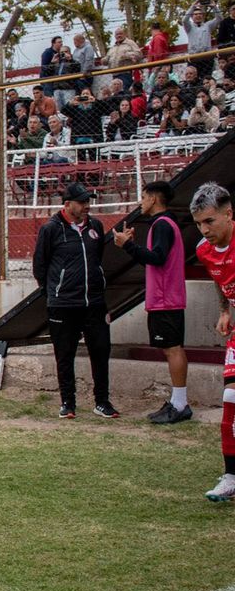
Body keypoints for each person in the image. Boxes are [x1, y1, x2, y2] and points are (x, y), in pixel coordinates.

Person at [32, 182, 117, 420]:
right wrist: (55, 290)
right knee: (65, 354)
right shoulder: (51, 229)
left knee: (100, 351)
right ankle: (68, 402)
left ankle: (102, 401)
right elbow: (40, 265)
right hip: (63, 304)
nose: (87, 206)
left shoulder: (96, 227)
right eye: (82, 202)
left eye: (88, 201)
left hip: (95, 303)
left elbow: (97, 257)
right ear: (68, 204)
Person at [113, 181, 190, 424]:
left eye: (144, 196)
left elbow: (156, 259)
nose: (141, 202)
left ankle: (180, 405)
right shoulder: (166, 224)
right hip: (167, 297)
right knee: (172, 348)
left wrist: (127, 245)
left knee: (173, 348)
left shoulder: (161, 224)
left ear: (154, 199)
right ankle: (178, 402)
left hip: (166, 299)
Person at [189, 182, 235, 501]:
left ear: (229, 214)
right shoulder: (205, 251)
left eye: (210, 221)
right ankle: (231, 476)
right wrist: (223, 310)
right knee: (230, 399)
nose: (204, 230)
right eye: (199, 224)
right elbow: (220, 280)